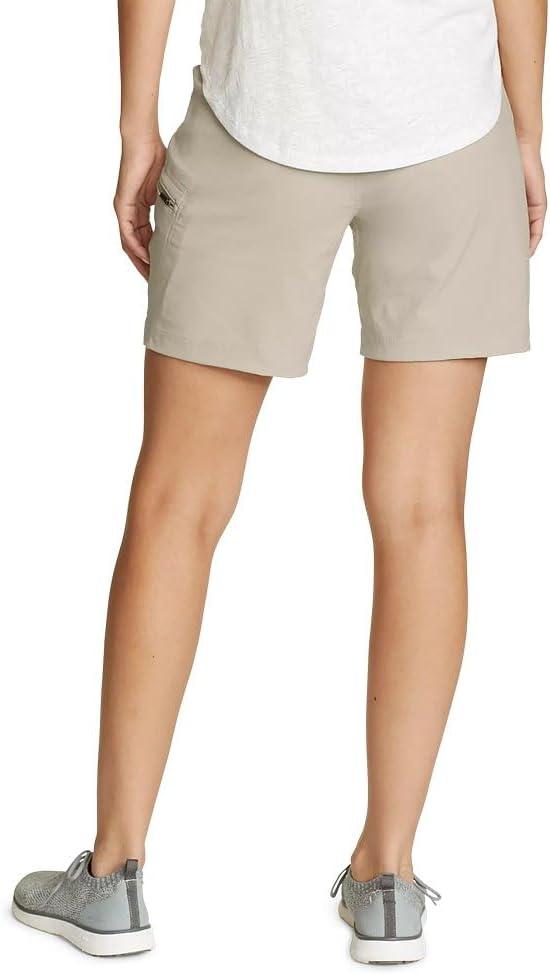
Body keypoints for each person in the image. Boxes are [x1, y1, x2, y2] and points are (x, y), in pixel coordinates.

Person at [12, 0, 546, 963]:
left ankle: (113, 875)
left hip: (266, 112)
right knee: (423, 510)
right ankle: (389, 881)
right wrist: (525, 128)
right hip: (452, 125)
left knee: (179, 504)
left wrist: (136, 125)